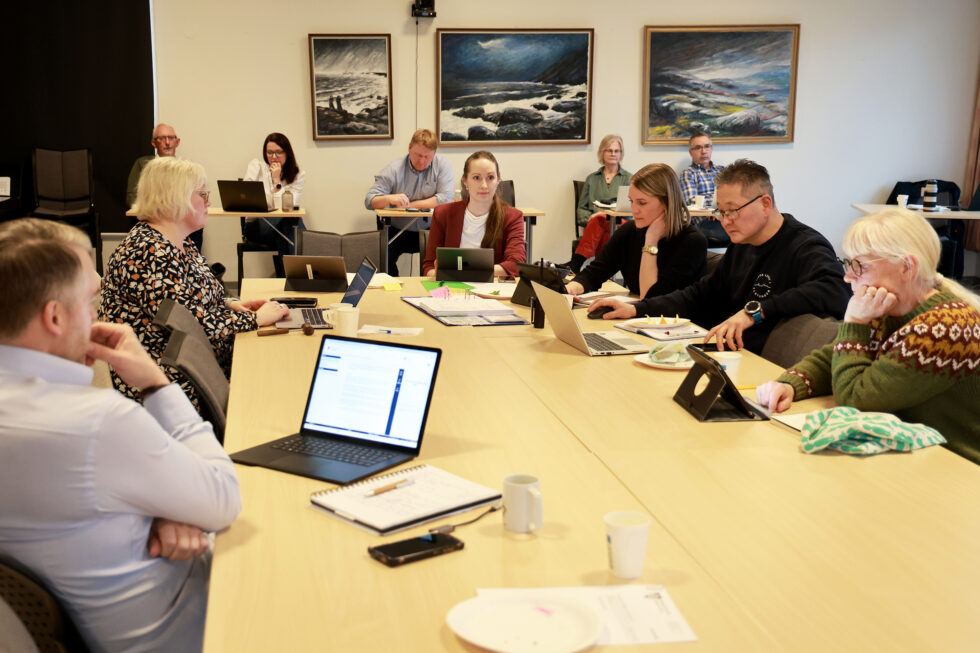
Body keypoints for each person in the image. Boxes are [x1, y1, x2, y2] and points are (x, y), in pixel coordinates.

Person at [0, 218, 242, 652]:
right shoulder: (98, 423)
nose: (98, 316)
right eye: (90, 302)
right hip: (195, 627)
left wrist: (158, 508)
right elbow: (224, 498)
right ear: (55, 317)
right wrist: (154, 382)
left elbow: (74, 501)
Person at [756, 208, 980, 464]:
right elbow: (834, 357)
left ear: (907, 267)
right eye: (848, 263)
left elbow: (856, 400)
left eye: (860, 266)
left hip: (960, 466)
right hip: (917, 454)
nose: (847, 277)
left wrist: (855, 323)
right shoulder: (889, 307)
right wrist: (790, 384)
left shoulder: (942, 330)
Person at [588, 159, 850, 354]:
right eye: (721, 212)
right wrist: (637, 309)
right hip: (724, 352)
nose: (725, 221)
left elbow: (836, 291)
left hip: (761, 366)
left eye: (732, 211)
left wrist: (755, 312)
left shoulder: (804, 246)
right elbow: (701, 294)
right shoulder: (743, 243)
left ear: (765, 204)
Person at [100, 157, 289, 407]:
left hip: (194, 365)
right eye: (202, 194)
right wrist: (254, 319)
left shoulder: (180, 241)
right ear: (174, 198)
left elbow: (199, 297)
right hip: (168, 383)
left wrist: (230, 304)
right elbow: (194, 331)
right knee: (275, 385)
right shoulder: (147, 252)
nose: (208, 202)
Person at [565, 163, 706, 299]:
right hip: (640, 311)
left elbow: (652, 298)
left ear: (667, 203)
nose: (634, 210)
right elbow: (594, 272)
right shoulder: (630, 231)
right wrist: (571, 289)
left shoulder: (692, 241)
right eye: (631, 201)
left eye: (642, 203)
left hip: (670, 315)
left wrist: (651, 241)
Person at [422, 151, 526, 279]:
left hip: (492, 289)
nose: (484, 185)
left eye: (490, 177)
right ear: (465, 180)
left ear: (498, 179)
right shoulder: (443, 214)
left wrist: (461, 270)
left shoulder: (513, 217)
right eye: (476, 178)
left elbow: (516, 264)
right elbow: (429, 266)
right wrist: (436, 273)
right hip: (452, 287)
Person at [365, 128, 454, 275]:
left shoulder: (442, 165)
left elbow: (446, 199)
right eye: (418, 155)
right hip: (397, 231)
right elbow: (369, 201)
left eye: (427, 157)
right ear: (409, 148)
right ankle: (393, 287)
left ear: (434, 154)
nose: (422, 161)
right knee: (383, 259)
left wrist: (409, 206)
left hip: (431, 230)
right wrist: (389, 198)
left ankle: (429, 288)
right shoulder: (394, 169)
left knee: (438, 264)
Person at [126, 123, 205, 252]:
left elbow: (196, 197)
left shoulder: (187, 169)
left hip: (181, 221)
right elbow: (132, 198)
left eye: (171, 138)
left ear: (177, 142)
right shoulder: (142, 165)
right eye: (162, 138)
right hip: (153, 222)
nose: (167, 142)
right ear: (154, 143)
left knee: (197, 225)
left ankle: (192, 261)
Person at [563, 134, 632, 272]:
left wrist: (601, 216)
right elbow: (581, 209)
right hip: (595, 226)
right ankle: (600, 272)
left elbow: (631, 212)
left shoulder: (629, 179)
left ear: (621, 154)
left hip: (621, 225)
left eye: (617, 151)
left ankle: (577, 263)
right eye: (609, 150)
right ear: (602, 152)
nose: (613, 154)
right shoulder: (592, 179)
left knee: (601, 219)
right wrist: (591, 218)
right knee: (602, 227)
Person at [243, 132, 307, 266]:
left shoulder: (298, 175)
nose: (273, 157)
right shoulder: (256, 167)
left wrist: (276, 180)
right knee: (293, 222)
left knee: (287, 228)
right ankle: (302, 271)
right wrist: (275, 178)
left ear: (287, 153)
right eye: (270, 152)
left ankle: (287, 275)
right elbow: (245, 197)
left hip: (282, 228)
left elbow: (287, 207)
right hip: (257, 226)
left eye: (278, 152)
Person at [679, 131, 730, 247]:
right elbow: (693, 202)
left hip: (725, 217)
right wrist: (714, 210)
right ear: (691, 152)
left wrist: (719, 210)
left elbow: (734, 197)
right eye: (698, 148)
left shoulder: (723, 171)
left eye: (707, 146)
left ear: (711, 149)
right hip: (704, 222)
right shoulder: (688, 173)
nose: (704, 151)